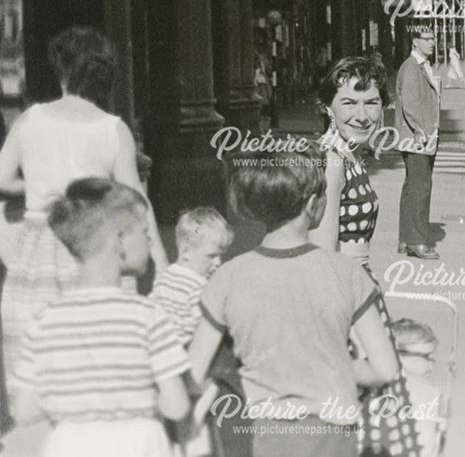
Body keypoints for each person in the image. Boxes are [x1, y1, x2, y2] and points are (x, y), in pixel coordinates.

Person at [187, 146, 399, 457]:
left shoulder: (228, 277)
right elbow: (385, 369)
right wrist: (335, 368)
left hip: (260, 434)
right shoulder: (346, 272)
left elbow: (193, 372)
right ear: (313, 204)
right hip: (333, 434)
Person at [0, 27, 168, 384]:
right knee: (99, 359)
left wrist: (39, 185)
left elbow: (1, 178)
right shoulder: (112, 129)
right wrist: (162, 262)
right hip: (95, 245)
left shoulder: (31, 118)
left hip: (39, 248)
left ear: (62, 72)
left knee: (40, 363)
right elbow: (134, 200)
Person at [9, 178, 190, 457]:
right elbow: (176, 406)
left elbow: (24, 410)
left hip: (69, 446)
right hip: (138, 444)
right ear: (118, 241)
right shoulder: (147, 315)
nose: (151, 239)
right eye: (144, 231)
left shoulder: (45, 321)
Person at [313, 57, 422, 457]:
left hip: (359, 290)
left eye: (371, 103)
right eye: (349, 103)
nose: (363, 115)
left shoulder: (349, 155)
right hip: (346, 297)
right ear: (327, 107)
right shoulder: (332, 162)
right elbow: (324, 253)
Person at [151, 207, 232, 345]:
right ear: (187, 251)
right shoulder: (198, 286)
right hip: (189, 350)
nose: (218, 263)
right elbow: (209, 324)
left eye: (220, 256)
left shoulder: (164, 277)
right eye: (212, 256)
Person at [395, 34, 441, 260]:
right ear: (414, 42)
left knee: (412, 188)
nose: (431, 42)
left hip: (417, 137)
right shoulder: (412, 67)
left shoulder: (417, 66)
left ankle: (405, 240)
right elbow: (411, 103)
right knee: (420, 189)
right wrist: (421, 130)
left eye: (433, 38)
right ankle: (417, 242)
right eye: (426, 38)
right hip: (418, 138)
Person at [391, 318, 444, 457]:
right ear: (401, 357)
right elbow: (426, 444)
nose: (432, 364)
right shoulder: (424, 391)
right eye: (427, 356)